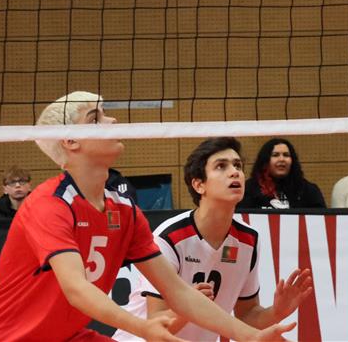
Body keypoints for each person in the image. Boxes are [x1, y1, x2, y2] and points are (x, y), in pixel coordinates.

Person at [0, 92, 292, 342]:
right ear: (70, 141)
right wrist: (143, 328)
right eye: (95, 118)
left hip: (66, 336)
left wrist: (249, 335)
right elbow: (77, 289)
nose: (112, 120)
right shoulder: (48, 204)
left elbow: (178, 292)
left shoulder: (124, 211)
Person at [114, 137, 313, 341]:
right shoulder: (170, 237)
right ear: (199, 185)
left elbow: (246, 315)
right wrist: (189, 306)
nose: (234, 172)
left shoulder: (248, 240)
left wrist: (276, 312)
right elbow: (157, 323)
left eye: (237, 165)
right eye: (221, 166)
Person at [238, 137, 326, 210]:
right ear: (265, 161)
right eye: (275, 155)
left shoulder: (308, 190)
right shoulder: (248, 190)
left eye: (286, 155)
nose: (281, 159)